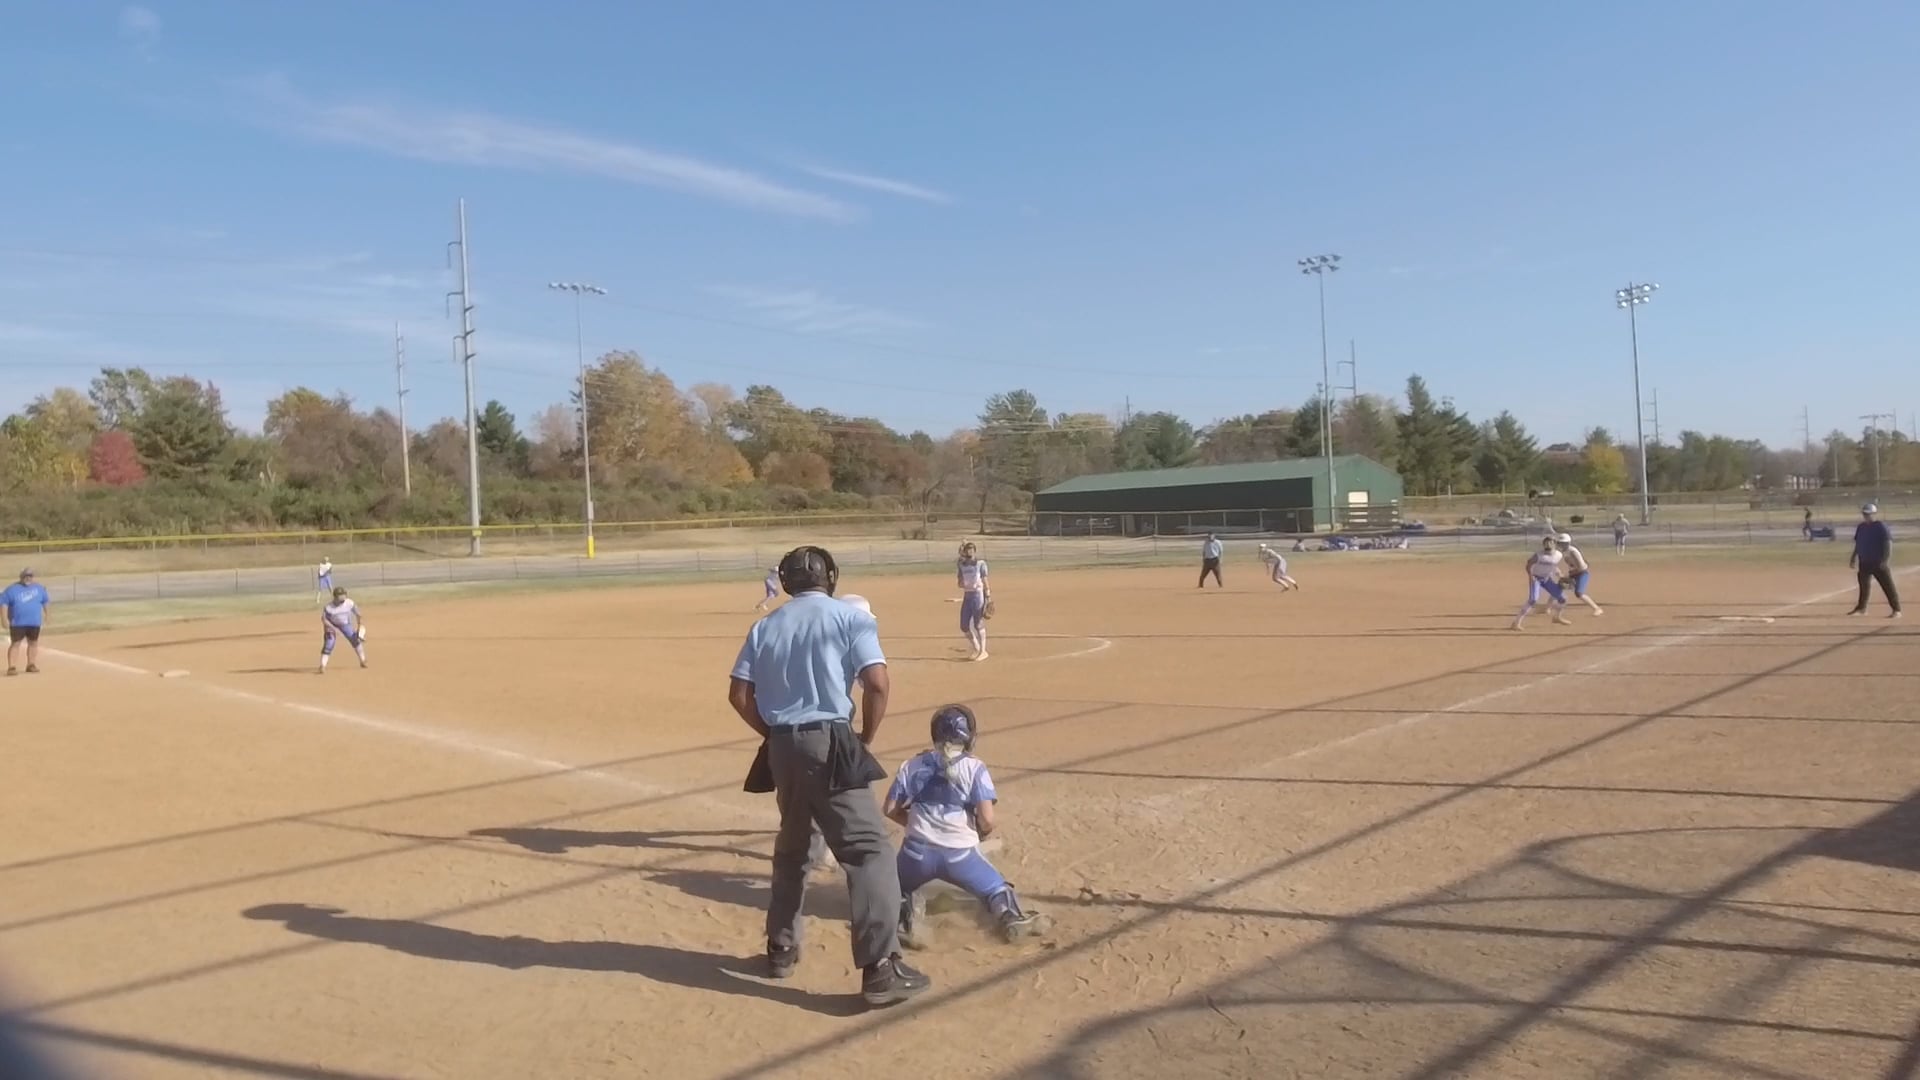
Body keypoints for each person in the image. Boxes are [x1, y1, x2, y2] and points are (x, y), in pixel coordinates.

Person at [726, 545, 929, 1007]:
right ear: (830, 577)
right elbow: (877, 683)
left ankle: (781, 948)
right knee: (869, 851)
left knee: (794, 848)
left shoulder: (764, 626)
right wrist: (864, 738)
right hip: (831, 738)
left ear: (786, 582)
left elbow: (739, 695)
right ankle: (881, 969)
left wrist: (775, 734)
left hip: (782, 747)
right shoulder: (849, 618)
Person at [886, 703, 1049, 949]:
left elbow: (890, 809)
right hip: (960, 856)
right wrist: (980, 832)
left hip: (915, 855)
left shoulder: (911, 765)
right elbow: (987, 819)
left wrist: (918, 825)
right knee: (997, 890)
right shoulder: (975, 767)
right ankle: (1009, 916)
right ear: (968, 737)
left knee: (897, 887)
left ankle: (906, 918)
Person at [1848, 503, 1901, 619]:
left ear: (1874, 514)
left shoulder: (1880, 526)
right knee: (1864, 587)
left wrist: (1885, 560)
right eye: (1864, 514)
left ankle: (1896, 609)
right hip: (1864, 562)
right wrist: (1853, 557)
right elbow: (1858, 544)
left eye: (1868, 514)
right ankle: (1862, 608)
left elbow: (1888, 543)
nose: (1866, 516)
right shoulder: (1861, 527)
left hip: (1878, 562)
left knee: (1887, 586)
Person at [1511, 537, 1573, 631]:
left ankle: (1557, 617)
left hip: (1547, 579)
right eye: (1546, 544)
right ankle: (1516, 623)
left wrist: (1559, 574)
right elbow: (1529, 564)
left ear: (1555, 544)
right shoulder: (1539, 555)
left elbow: (1554, 566)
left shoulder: (1558, 555)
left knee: (1563, 599)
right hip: (1536, 578)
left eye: (1550, 543)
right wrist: (1531, 576)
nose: (1548, 545)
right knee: (1533, 600)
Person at [2, 569, 50, 677]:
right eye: (26, 576)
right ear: (21, 577)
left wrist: (48, 615)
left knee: (33, 643)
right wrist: (4, 619)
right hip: (17, 622)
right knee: (15, 644)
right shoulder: (12, 589)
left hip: (34, 622)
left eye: (30, 576)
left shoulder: (39, 588)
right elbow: (4, 603)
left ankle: (31, 664)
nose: (28, 578)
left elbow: (45, 601)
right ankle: (12, 667)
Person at [318, 586, 369, 673]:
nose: (342, 600)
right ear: (335, 597)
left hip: (345, 624)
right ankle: (322, 665)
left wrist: (359, 625)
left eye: (344, 596)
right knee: (329, 643)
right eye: (340, 597)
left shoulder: (349, 603)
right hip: (331, 624)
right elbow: (324, 620)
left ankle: (362, 661)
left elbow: (358, 614)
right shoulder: (329, 607)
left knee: (354, 639)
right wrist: (333, 629)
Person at [956, 542, 992, 661]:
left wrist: (988, 596)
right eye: (968, 549)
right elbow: (959, 582)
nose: (970, 551)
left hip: (977, 595)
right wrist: (961, 581)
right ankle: (976, 648)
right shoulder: (961, 565)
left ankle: (983, 651)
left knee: (978, 623)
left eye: (972, 549)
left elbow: (985, 580)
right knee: (964, 625)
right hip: (967, 595)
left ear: (975, 551)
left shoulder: (981, 564)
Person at [1554, 533, 1603, 616]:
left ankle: (1597, 609)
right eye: (1560, 543)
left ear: (1568, 543)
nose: (1561, 545)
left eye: (1563, 543)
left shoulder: (1572, 551)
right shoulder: (1565, 551)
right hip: (1574, 574)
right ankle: (1546, 608)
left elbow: (1582, 567)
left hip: (1582, 574)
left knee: (1579, 593)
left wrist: (1568, 576)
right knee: (1557, 588)